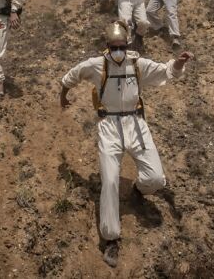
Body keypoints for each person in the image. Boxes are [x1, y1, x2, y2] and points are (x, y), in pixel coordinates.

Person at [60, 21, 193, 268]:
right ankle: (111, 239)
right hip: (109, 127)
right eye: (114, 47)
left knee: (155, 179)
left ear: (127, 45)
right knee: (109, 181)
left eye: (122, 46)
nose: (118, 51)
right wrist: (63, 96)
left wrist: (179, 62)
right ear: (107, 46)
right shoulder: (96, 65)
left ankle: (139, 191)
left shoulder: (137, 64)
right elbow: (71, 76)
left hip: (136, 123)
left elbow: (165, 71)